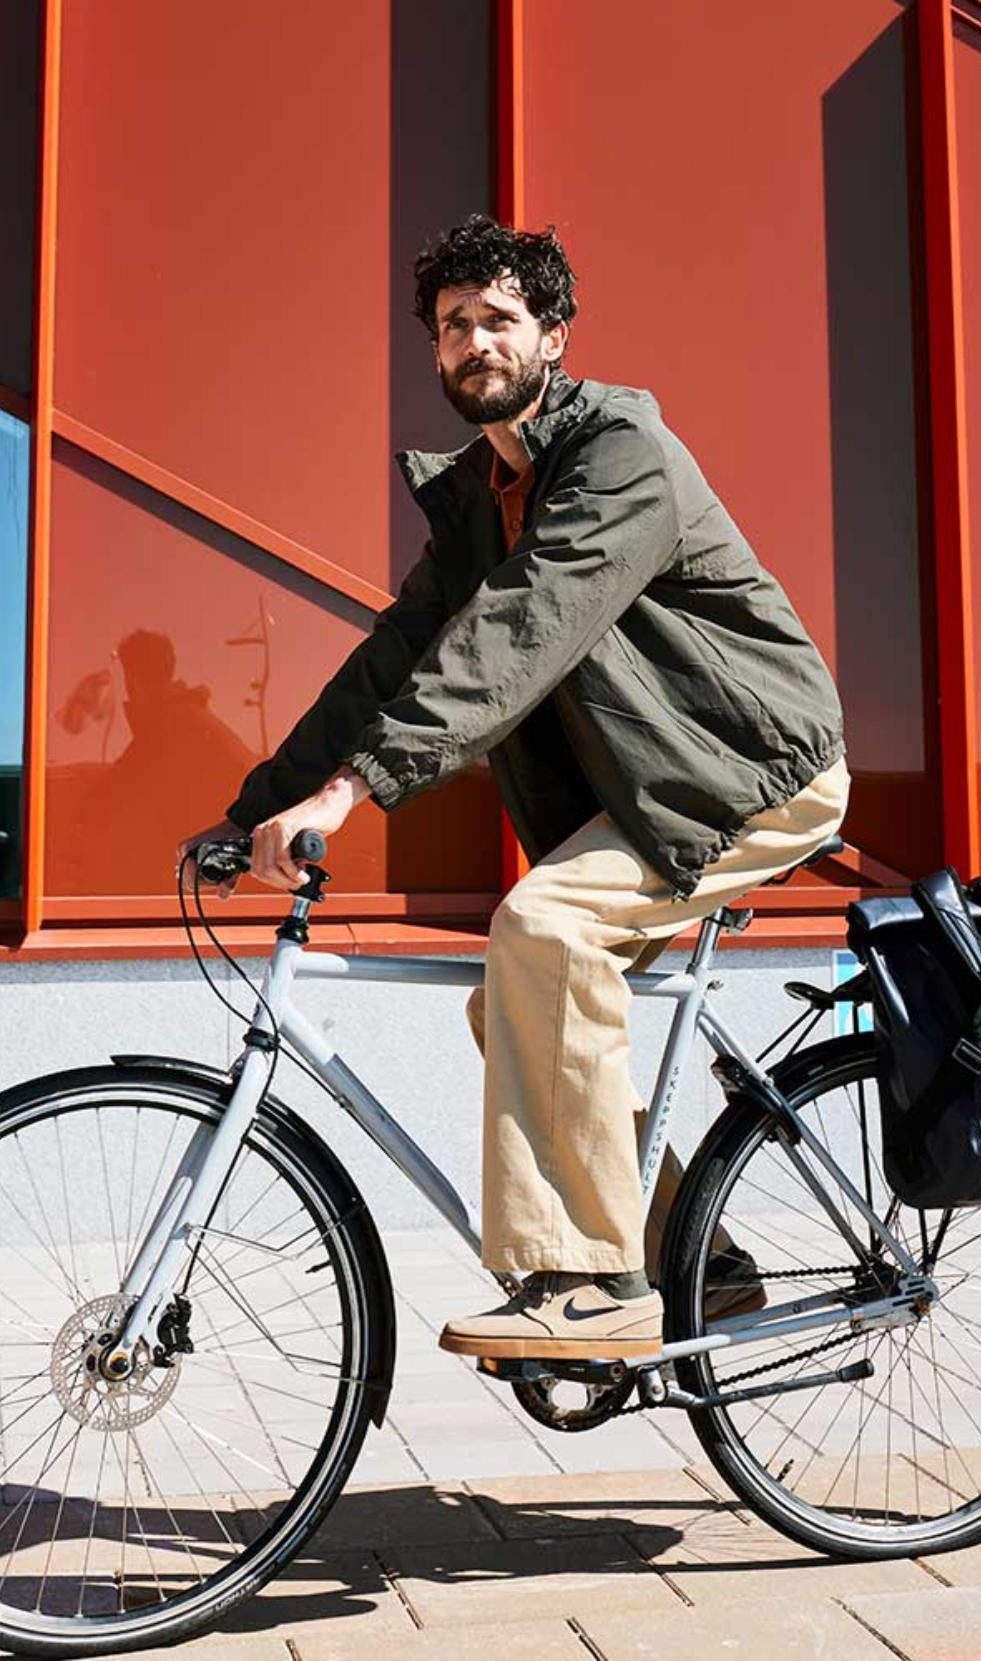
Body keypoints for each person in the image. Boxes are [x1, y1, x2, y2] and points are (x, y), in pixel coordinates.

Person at [179, 215, 849, 1363]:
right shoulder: (478, 501)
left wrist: (351, 792)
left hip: (750, 769)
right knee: (511, 1000)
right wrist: (252, 813)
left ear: (554, 336)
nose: (474, 340)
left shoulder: (620, 452)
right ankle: (702, 1259)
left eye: (499, 317)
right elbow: (390, 665)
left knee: (541, 929)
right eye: (453, 325)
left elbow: (519, 632)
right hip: (656, 788)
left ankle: (592, 1280)